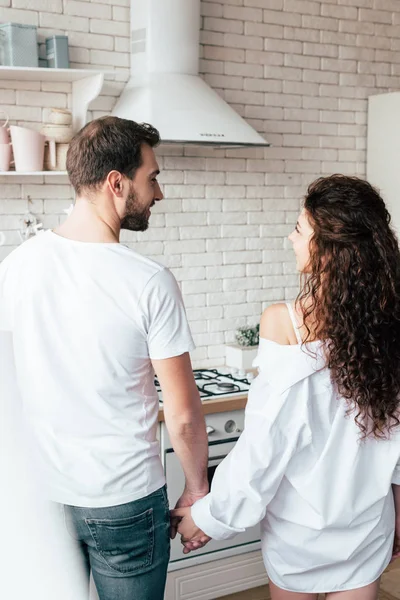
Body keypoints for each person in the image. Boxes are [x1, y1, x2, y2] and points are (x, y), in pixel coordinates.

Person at [0, 116, 208, 600]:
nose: (158, 194)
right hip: (124, 501)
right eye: (151, 178)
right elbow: (182, 412)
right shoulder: (148, 280)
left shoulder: (14, 267)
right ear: (116, 182)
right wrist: (198, 489)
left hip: (41, 494)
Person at [173, 174, 400, 600]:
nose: (290, 238)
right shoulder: (390, 328)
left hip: (299, 533)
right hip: (367, 528)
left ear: (329, 248)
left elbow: (265, 447)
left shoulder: (286, 324)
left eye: (299, 229)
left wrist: (206, 517)